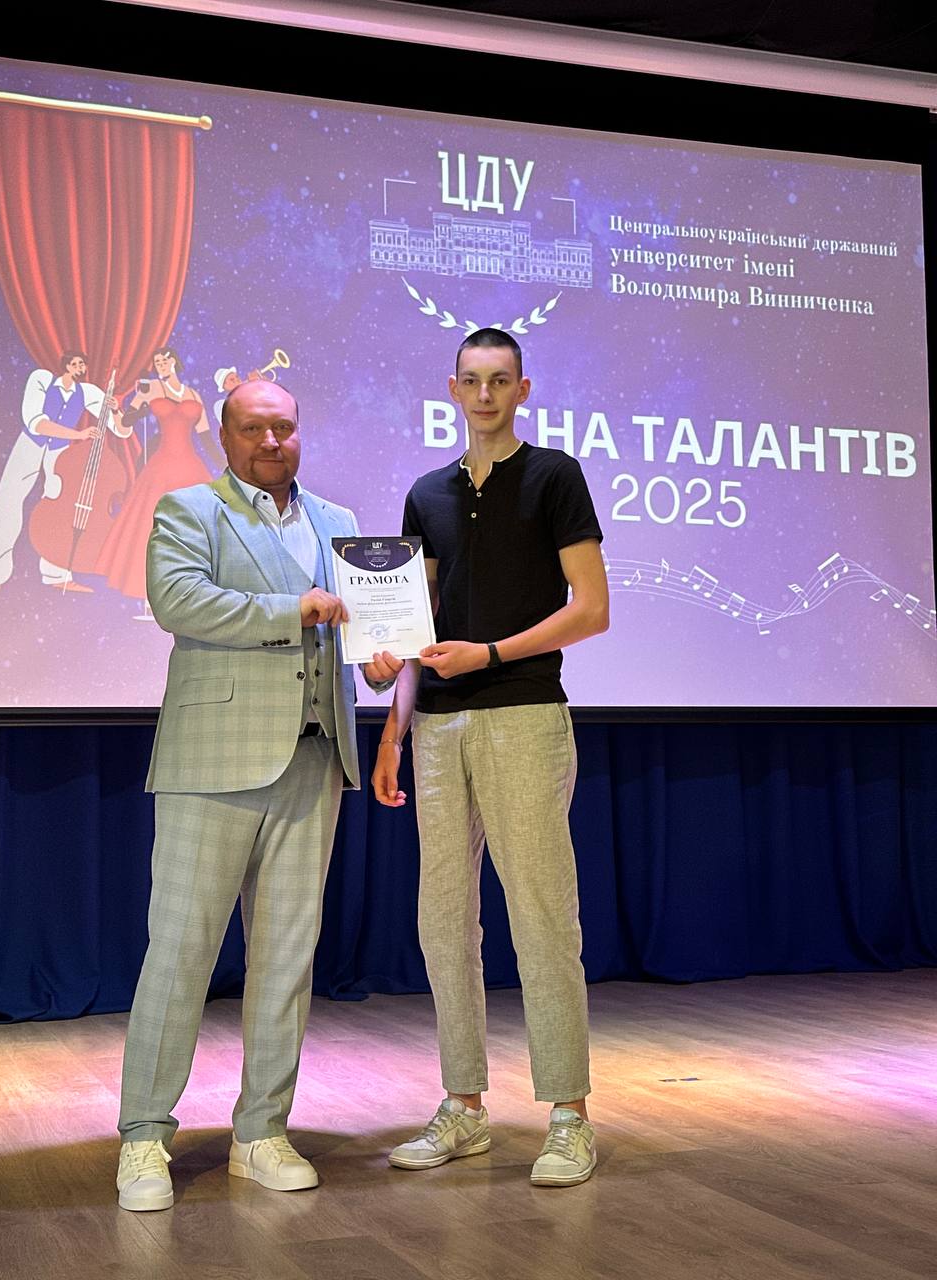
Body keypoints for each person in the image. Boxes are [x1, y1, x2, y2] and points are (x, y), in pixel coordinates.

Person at [116, 379, 401, 1211]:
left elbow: (360, 632)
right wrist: (294, 608)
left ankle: (261, 1131)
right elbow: (178, 601)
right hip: (213, 759)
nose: (271, 441)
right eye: (253, 428)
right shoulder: (189, 509)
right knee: (180, 953)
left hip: (314, 761)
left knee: (286, 959)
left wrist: (380, 660)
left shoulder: (339, 522)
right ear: (225, 435)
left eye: (284, 427)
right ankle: (143, 1137)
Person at [372, 328, 609, 1187]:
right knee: (443, 921)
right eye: (471, 380)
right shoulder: (425, 494)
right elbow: (411, 628)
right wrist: (392, 731)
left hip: (523, 715)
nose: (484, 395)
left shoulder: (554, 476)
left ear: (522, 389)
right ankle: (464, 1105)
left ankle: (569, 1117)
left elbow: (592, 608)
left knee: (542, 916)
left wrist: (492, 654)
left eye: (500, 380)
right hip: (437, 729)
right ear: (452, 388)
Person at [0, 351, 128, 600]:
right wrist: (79, 435)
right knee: (8, 502)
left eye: (83, 364)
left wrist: (116, 410)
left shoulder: (88, 392)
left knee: (59, 510)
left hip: (59, 451)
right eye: (76, 363)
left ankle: (57, 575)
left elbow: (121, 431)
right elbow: (36, 423)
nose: (80, 367)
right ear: (66, 365)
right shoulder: (41, 379)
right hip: (30, 445)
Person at [97, 346, 224, 601]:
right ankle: (150, 589)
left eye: (164, 360)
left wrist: (225, 464)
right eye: (156, 362)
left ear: (174, 361)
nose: (160, 365)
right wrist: (119, 409)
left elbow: (205, 437)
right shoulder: (151, 389)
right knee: (150, 524)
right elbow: (126, 422)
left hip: (190, 466)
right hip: (161, 466)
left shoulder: (193, 395)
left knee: (196, 525)